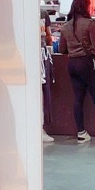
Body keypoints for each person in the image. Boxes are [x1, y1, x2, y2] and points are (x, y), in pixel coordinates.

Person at [59, 0, 95, 145]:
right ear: (85, 7)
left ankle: (81, 133)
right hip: (88, 64)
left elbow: (62, 49)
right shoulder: (89, 24)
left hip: (72, 64)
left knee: (78, 99)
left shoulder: (65, 26)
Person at [41, 8, 54, 144]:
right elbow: (49, 35)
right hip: (41, 55)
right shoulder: (43, 13)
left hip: (36, 54)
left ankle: (39, 128)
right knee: (43, 92)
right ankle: (40, 128)